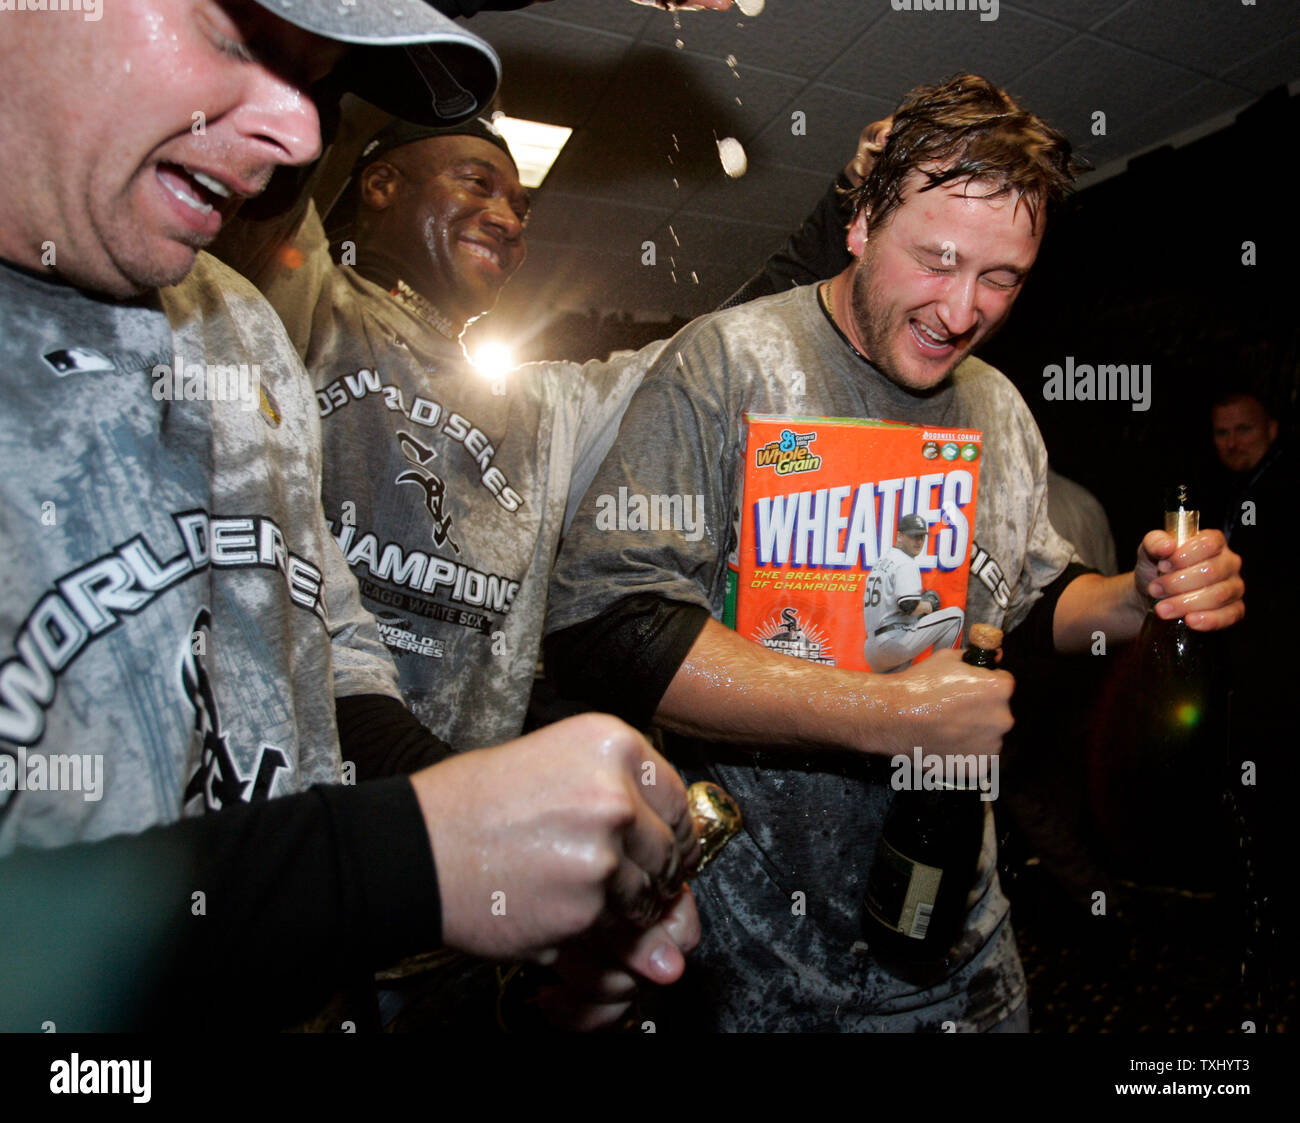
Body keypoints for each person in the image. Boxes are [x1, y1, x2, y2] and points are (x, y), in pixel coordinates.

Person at [0, 0, 698, 1031]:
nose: (302, 137)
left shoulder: (234, 331)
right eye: (235, 37)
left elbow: (317, 640)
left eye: (322, 85)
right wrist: (402, 856)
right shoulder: (300, 308)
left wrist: (473, 817)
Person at [542, 73, 1245, 1032]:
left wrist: (1136, 596)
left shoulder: (996, 403)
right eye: (938, 260)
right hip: (764, 963)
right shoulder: (729, 363)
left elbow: (1029, 600)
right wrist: (880, 713)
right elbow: (605, 622)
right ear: (863, 221)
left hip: (966, 949)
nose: (962, 310)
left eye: (1002, 279)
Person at [863, 513, 965, 673]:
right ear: (900, 536)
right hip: (893, 643)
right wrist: (928, 605)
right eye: (913, 536)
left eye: (921, 537)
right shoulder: (905, 562)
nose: (918, 541)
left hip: (872, 650)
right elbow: (909, 606)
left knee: (897, 693)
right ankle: (936, 675)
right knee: (955, 616)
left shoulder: (881, 564)